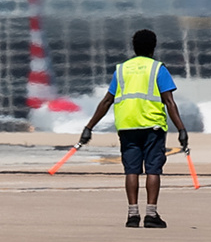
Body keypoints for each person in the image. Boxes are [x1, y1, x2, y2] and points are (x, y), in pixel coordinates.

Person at [80, 28, 189, 229]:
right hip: (152, 125)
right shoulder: (158, 69)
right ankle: (151, 214)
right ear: (153, 48)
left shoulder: (121, 69)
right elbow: (169, 102)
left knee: (131, 170)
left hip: (127, 126)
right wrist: (181, 129)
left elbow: (106, 101)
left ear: (134, 47)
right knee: (153, 169)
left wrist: (89, 127)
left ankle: (132, 215)